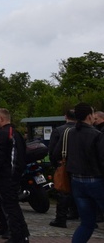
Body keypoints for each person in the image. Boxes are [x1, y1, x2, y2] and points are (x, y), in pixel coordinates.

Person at [50, 102, 104, 243]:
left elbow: (55, 154)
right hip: (96, 181)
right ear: (89, 116)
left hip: (76, 182)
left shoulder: (68, 133)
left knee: (86, 224)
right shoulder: (97, 135)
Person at [0, 108, 29, 243]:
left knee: (10, 207)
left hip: (7, 177)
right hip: (12, 176)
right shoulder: (16, 134)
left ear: (2, 119)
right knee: (13, 206)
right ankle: (23, 234)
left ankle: (17, 237)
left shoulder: (4, 134)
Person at [48, 109, 76, 228]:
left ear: (66, 117)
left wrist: (56, 164)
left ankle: (61, 218)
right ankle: (79, 214)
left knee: (63, 191)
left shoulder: (60, 130)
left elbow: (53, 150)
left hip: (64, 164)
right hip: (83, 166)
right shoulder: (89, 131)